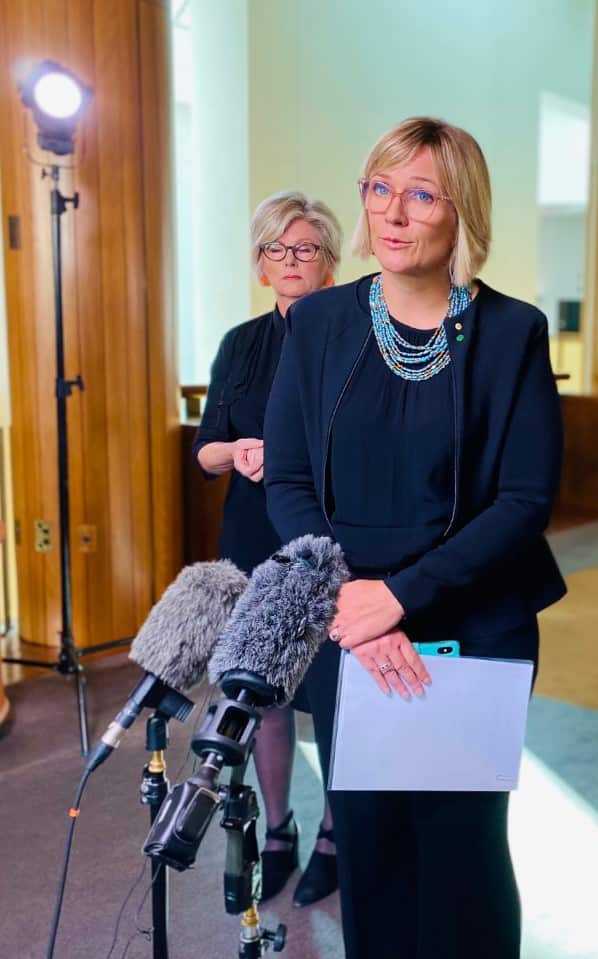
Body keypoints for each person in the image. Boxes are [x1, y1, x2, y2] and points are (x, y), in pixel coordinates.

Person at [263, 116, 565, 958]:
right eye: (380, 188)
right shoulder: (319, 324)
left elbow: (523, 500)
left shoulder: (512, 333)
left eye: (422, 193)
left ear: (459, 209)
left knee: (463, 848)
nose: (394, 213)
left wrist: (399, 597)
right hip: (346, 626)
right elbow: (286, 479)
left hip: (473, 618)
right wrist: (349, 600)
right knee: (372, 843)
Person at [192, 191, 343, 908]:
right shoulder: (239, 344)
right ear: (260, 264)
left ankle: (337, 837)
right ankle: (278, 830)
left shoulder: (353, 337)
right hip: (253, 536)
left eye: (306, 248)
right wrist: (240, 447)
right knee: (266, 694)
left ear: (331, 263)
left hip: (327, 539)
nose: (290, 262)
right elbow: (205, 452)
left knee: (337, 696)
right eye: (276, 250)